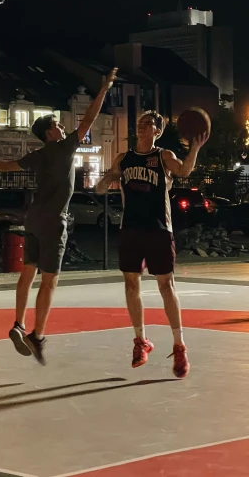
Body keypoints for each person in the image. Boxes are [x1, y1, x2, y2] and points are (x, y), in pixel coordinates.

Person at [0, 68, 117, 365]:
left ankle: (18, 322)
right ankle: (37, 334)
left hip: (32, 220)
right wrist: (105, 88)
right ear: (51, 133)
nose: (62, 127)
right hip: (54, 222)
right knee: (50, 281)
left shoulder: (38, 155)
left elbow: (5, 166)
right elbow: (89, 118)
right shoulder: (63, 147)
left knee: (28, 272)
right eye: (58, 125)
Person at [95, 109, 209, 378]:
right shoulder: (124, 158)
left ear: (157, 131)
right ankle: (140, 341)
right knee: (131, 283)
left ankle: (179, 345)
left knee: (165, 285)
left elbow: (184, 171)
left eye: (149, 124)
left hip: (158, 228)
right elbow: (104, 184)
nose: (143, 126)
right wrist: (106, 180)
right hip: (131, 228)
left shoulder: (163, 156)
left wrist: (194, 148)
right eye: (141, 123)